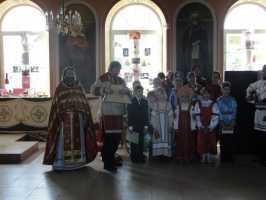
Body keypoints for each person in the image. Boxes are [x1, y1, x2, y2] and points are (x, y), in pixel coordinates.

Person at [43, 67, 97, 170]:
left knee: (79, 139)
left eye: (72, 73)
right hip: (65, 119)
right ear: (64, 75)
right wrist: (59, 116)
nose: (70, 75)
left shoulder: (79, 87)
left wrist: (84, 115)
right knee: (63, 140)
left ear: (74, 75)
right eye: (68, 73)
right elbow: (57, 104)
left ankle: (78, 161)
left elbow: (84, 103)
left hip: (78, 119)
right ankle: (61, 161)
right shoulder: (60, 87)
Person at [91, 61, 130, 172]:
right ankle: (107, 163)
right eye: (116, 69)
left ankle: (111, 158)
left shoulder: (121, 80)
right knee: (109, 138)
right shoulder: (103, 78)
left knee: (117, 138)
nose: (118, 71)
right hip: (107, 111)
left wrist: (126, 91)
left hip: (118, 112)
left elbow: (127, 93)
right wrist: (103, 90)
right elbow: (93, 90)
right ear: (111, 68)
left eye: (119, 69)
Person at [246, 64, 266, 166]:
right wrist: (251, 97)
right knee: (259, 135)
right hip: (258, 112)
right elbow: (249, 88)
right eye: (264, 70)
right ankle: (260, 156)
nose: (265, 72)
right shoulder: (258, 83)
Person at [173, 75, 196, 163]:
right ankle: (180, 156)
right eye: (182, 97)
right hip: (181, 129)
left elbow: (193, 118)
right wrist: (176, 127)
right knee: (180, 142)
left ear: (189, 98)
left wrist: (193, 127)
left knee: (188, 142)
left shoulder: (191, 107)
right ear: (180, 98)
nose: (184, 99)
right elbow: (176, 118)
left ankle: (188, 156)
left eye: (186, 97)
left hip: (188, 129)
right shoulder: (178, 107)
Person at [194, 86, 220, 164]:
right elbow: (197, 116)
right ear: (202, 94)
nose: (206, 95)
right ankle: (203, 157)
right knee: (201, 142)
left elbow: (215, 116)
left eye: (208, 94)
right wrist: (200, 126)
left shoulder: (213, 104)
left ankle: (208, 157)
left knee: (210, 142)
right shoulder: (198, 103)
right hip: (202, 127)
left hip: (210, 126)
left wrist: (210, 127)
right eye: (204, 93)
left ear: (210, 95)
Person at [149, 86, 173, 158]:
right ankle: (158, 154)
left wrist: (170, 125)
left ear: (164, 94)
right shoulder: (155, 104)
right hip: (157, 124)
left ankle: (165, 154)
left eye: (161, 94)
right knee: (158, 137)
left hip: (166, 124)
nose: (160, 96)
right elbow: (153, 116)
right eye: (158, 95)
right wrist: (154, 126)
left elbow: (171, 116)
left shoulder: (168, 104)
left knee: (166, 138)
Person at [127, 85, 149, 163]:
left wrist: (146, 125)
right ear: (135, 92)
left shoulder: (145, 101)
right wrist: (130, 126)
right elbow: (129, 114)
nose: (140, 93)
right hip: (134, 125)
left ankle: (140, 157)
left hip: (142, 125)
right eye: (138, 91)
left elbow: (146, 114)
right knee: (134, 142)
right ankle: (134, 157)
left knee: (141, 141)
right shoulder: (131, 101)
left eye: (141, 91)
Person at [217, 82, 237, 163]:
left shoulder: (233, 100)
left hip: (231, 122)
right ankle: (223, 157)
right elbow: (218, 112)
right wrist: (222, 123)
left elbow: (235, 111)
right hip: (222, 123)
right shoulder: (219, 100)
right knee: (223, 141)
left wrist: (232, 122)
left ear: (230, 90)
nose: (226, 91)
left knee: (230, 140)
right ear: (222, 90)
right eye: (225, 89)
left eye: (228, 89)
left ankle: (230, 157)